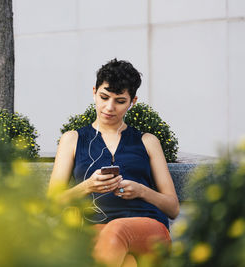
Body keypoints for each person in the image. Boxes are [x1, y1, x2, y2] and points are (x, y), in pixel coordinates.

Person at [47, 59, 179, 267]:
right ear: (94, 91)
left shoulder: (147, 141)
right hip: (96, 230)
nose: (109, 107)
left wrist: (141, 191)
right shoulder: (72, 140)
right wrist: (87, 186)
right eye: (104, 97)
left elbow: (173, 208)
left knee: (117, 230)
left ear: (132, 101)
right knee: (126, 261)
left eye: (120, 101)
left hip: (148, 229)